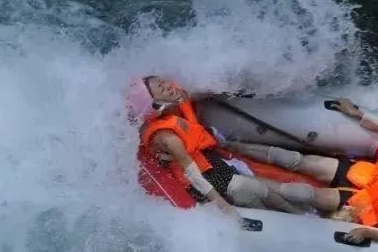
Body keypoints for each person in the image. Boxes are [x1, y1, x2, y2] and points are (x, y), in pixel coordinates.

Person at [222, 99, 378, 247]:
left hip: (361, 203)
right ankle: (233, 146)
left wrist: (367, 233)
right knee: (296, 160)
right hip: (364, 175)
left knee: (302, 194)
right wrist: (357, 113)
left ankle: (241, 181)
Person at [127, 76, 346, 221]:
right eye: (160, 88)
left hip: (213, 162)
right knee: (255, 190)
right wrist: (223, 207)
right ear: (154, 104)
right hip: (206, 179)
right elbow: (192, 175)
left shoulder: (178, 104)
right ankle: (301, 219)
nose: (167, 86)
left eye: (163, 82)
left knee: (274, 189)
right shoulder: (167, 136)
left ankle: (306, 214)